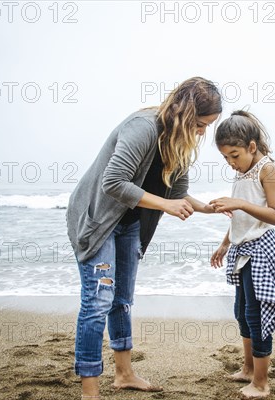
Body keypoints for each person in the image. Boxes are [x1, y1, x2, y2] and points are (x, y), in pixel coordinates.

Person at [66, 77, 222, 399]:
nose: (202, 132)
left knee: (122, 301)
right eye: (201, 124)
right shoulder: (143, 127)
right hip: (98, 220)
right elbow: (114, 182)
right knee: (98, 301)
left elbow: (178, 193)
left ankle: (124, 374)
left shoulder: (179, 142)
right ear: (185, 113)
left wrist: (208, 208)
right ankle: (90, 390)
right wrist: (165, 204)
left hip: (132, 224)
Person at [209, 110, 275, 399]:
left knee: (257, 314)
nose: (231, 163)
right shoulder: (243, 171)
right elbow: (241, 215)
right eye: (225, 158)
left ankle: (261, 382)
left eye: (234, 155)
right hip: (241, 250)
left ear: (252, 147)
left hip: (261, 251)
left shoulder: (267, 169)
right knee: (242, 312)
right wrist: (225, 243)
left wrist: (237, 201)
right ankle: (248, 368)